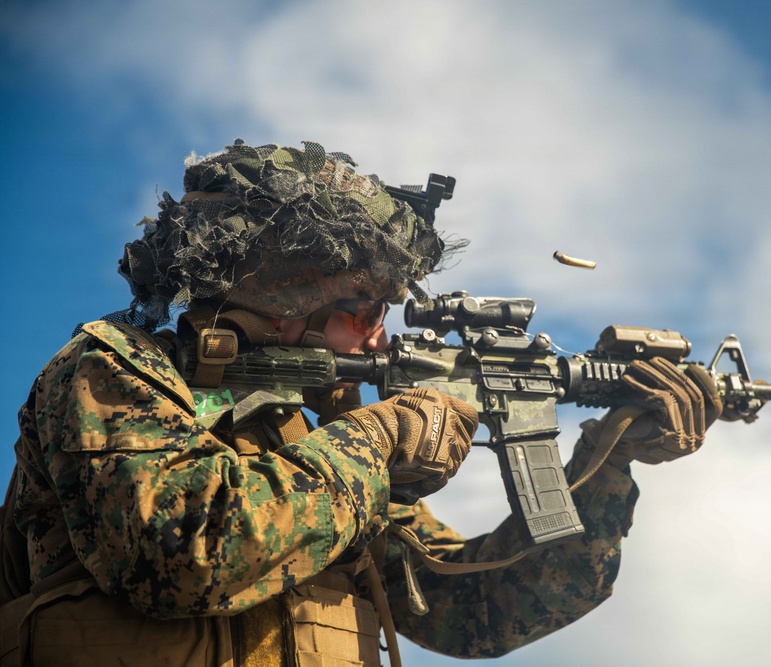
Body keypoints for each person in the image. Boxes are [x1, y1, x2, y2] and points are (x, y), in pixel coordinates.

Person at [1, 140, 726, 666]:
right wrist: (379, 436)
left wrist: (608, 462)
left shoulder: (307, 444)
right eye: (363, 305)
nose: (381, 335)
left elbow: (474, 610)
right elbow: (186, 552)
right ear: (282, 294)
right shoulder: (110, 370)